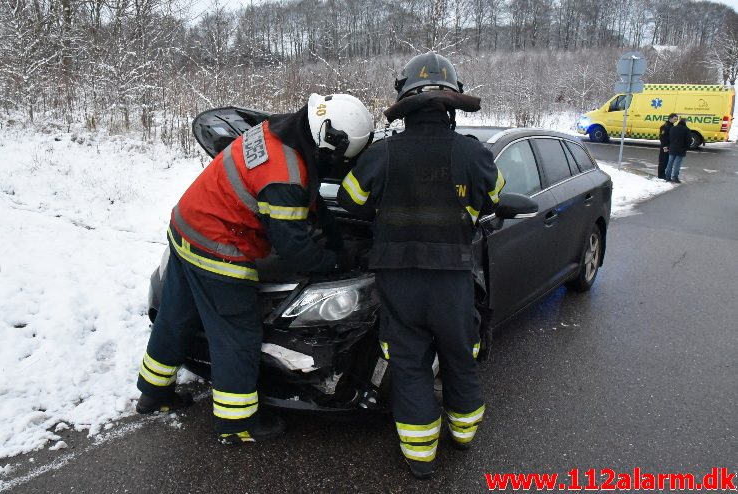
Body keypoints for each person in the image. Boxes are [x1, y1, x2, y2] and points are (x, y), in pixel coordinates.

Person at [136, 94, 374, 444]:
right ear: (330, 143)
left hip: (186, 226)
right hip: (218, 248)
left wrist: (335, 236)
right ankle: (238, 424)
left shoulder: (280, 128)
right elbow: (295, 249)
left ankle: (154, 394)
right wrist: (334, 261)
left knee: (177, 315)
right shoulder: (286, 176)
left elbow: (311, 203)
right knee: (237, 333)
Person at [337, 52, 504, 479]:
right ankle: (463, 434)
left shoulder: (382, 154)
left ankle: (419, 456)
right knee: (459, 355)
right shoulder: (472, 154)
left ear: (404, 103)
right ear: (451, 106)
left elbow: (350, 201)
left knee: (409, 363)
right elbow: (496, 199)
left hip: (399, 282)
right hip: (452, 281)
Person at [665, 118, 691, 183]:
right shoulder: (687, 130)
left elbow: (669, 138)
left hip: (672, 148)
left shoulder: (673, 128)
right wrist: (687, 148)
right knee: (677, 164)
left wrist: (669, 146)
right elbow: (688, 140)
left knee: (669, 163)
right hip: (681, 149)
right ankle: (675, 177)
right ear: (685, 122)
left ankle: (667, 177)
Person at [658, 113, 678, 179]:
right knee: (663, 161)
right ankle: (661, 175)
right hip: (665, 147)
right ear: (670, 118)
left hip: (670, 146)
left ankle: (664, 175)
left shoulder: (671, 126)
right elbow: (662, 137)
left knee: (667, 161)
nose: (676, 120)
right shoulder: (665, 126)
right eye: (675, 119)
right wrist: (665, 147)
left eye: (676, 119)